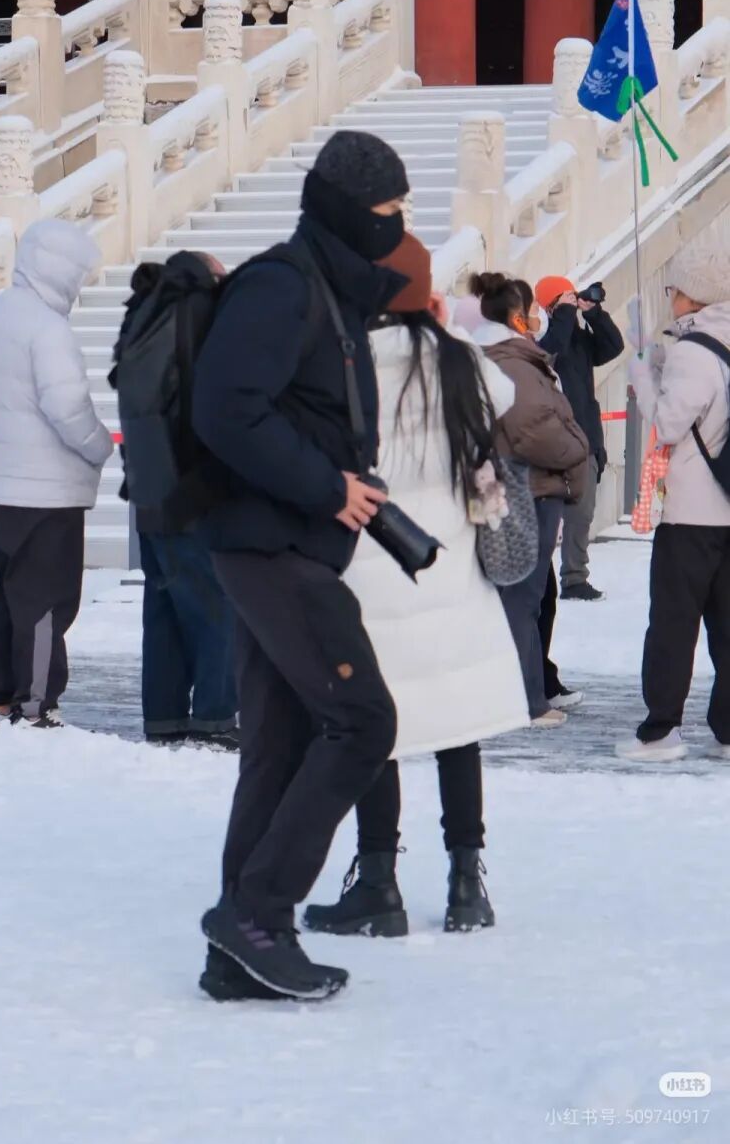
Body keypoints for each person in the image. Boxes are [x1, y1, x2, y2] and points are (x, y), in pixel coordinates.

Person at [191, 130, 407, 1004]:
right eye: (389, 214)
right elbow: (224, 411)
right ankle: (258, 912)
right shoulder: (283, 286)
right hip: (271, 541)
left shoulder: (325, 290)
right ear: (351, 210)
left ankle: (238, 948)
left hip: (290, 538)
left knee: (280, 742)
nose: (397, 229)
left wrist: (346, 479)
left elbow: (296, 411)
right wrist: (325, 487)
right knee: (362, 722)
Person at [303, 235, 528, 940]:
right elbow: (508, 393)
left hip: (375, 565)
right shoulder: (456, 359)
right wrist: (444, 326)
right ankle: (468, 882)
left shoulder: (347, 360)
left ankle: (377, 881)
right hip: (450, 567)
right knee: (457, 731)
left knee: (381, 732)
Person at [0, 218, 113, 732]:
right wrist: (100, 448)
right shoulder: (47, 328)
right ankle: (36, 704)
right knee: (46, 601)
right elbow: (67, 406)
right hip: (46, 491)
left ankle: (2, 698)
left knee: (7, 597)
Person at [109, 252, 237, 749]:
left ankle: (162, 717)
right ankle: (215, 716)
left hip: (147, 489)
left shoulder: (143, 314)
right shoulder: (196, 317)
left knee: (162, 610)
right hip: (190, 490)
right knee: (215, 606)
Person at [618, 240, 730, 761]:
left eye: (674, 289)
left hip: (690, 515)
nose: (670, 298)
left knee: (672, 624)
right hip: (727, 511)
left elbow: (668, 423)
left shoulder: (692, 351)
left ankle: (661, 729)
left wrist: (644, 373)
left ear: (692, 295)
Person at [472, 273, 589, 727]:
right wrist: (576, 447)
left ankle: (526, 691)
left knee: (523, 596)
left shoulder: (510, 358)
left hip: (517, 488)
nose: (541, 317)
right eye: (535, 311)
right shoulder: (514, 363)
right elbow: (533, 430)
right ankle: (526, 699)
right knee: (522, 598)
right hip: (526, 490)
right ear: (519, 317)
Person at [535, 274, 624, 600]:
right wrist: (562, 314)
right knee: (545, 515)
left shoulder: (579, 336)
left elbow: (614, 347)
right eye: (566, 299)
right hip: (550, 439)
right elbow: (549, 353)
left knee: (581, 513)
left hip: (585, 436)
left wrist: (593, 314)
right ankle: (537, 580)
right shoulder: (540, 334)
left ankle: (574, 578)